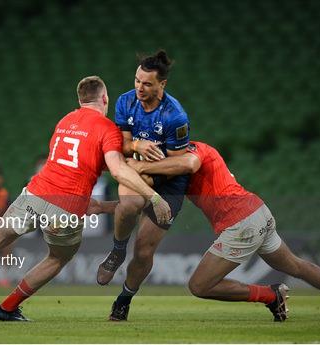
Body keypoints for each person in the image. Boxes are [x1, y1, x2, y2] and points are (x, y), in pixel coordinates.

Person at [0, 76, 172, 321]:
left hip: (35, 193)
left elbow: (76, 163)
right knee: (57, 257)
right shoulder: (107, 129)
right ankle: (7, 308)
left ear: (80, 99)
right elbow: (116, 170)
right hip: (66, 207)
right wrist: (154, 197)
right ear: (105, 98)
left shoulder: (65, 121)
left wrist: (112, 204)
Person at [125, 140, 320, 322]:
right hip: (257, 211)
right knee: (295, 265)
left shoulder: (192, 150)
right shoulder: (176, 168)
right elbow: (149, 180)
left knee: (199, 286)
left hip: (241, 222)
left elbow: (188, 164)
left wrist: (136, 164)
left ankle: (271, 296)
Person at [96, 50, 191, 320]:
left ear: (162, 85)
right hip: (137, 169)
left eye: (147, 83)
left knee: (144, 250)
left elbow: (176, 164)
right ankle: (116, 250)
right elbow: (122, 144)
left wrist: (144, 170)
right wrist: (137, 146)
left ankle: (125, 298)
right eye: (137, 80)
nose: (139, 87)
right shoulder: (126, 102)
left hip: (169, 181)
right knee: (130, 204)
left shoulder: (176, 116)